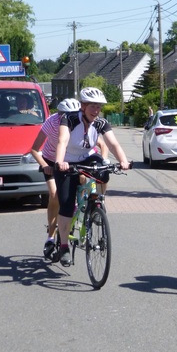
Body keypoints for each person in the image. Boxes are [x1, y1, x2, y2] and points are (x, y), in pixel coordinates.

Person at [54, 87, 131, 266]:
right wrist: (59, 162)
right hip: (67, 161)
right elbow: (62, 141)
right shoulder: (70, 119)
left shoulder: (101, 123)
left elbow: (113, 144)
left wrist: (123, 161)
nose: (96, 110)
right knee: (66, 204)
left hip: (87, 158)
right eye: (92, 107)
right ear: (83, 106)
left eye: (98, 107)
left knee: (104, 170)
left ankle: (97, 204)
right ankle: (64, 246)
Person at [31, 98, 81, 259]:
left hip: (71, 161)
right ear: (59, 115)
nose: (69, 119)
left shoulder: (81, 123)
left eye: (74, 115)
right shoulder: (51, 122)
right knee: (54, 195)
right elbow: (33, 149)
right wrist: (45, 165)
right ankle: (51, 237)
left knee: (83, 183)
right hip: (51, 161)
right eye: (65, 116)